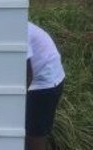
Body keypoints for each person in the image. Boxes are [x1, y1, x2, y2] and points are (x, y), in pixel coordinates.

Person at [26, 22, 65, 150]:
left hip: (45, 83)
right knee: (33, 128)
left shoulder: (18, 31)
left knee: (35, 132)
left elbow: (28, 74)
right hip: (43, 76)